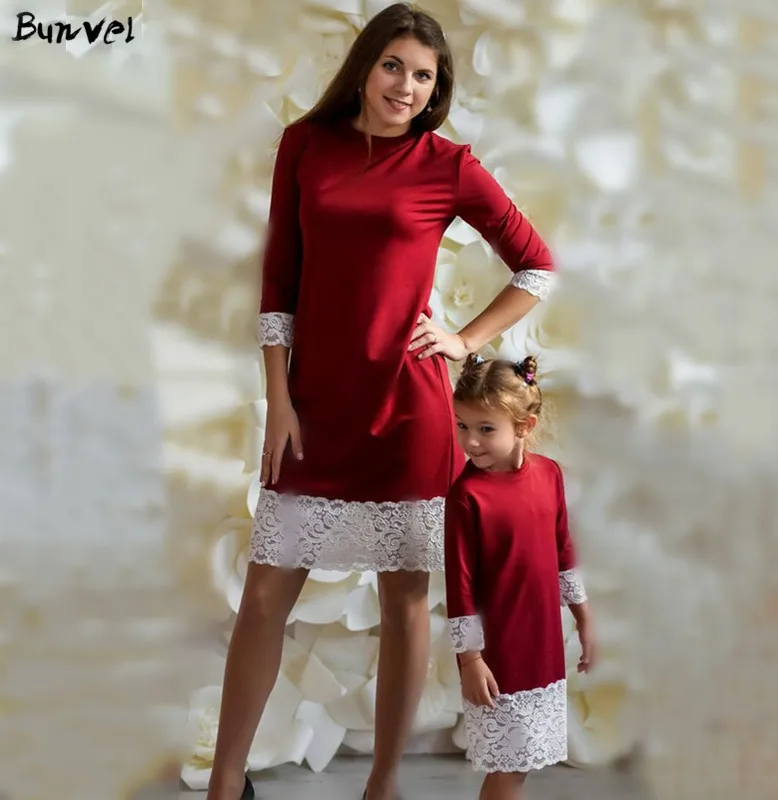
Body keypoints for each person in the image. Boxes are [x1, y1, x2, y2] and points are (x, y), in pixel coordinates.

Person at [206, 3, 557, 799]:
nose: (405, 85)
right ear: (365, 67)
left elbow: (535, 266)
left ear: (437, 89)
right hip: (314, 409)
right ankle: (225, 786)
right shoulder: (306, 145)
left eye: (423, 75)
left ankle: (384, 786)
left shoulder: (447, 165)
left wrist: (463, 339)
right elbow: (280, 284)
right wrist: (279, 398)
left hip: (408, 412)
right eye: (393, 65)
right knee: (264, 596)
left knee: (404, 600)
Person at [444, 354, 596, 800]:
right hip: (499, 652)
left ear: (524, 426)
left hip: (542, 646)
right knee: (509, 767)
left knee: (523, 765)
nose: (470, 441)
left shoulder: (549, 475)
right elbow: (460, 585)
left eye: (485, 429)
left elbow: (563, 550)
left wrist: (584, 618)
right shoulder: (466, 497)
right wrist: (470, 660)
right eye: (462, 426)